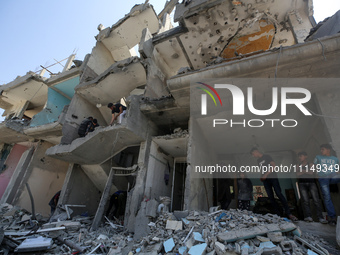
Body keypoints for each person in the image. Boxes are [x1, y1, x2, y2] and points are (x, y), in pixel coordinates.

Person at [251, 148, 298, 221]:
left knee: (279, 194)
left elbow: (273, 166)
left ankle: (289, 213)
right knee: (271, 197)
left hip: (273, 178)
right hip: (266, 181)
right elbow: (261, 170)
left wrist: (266, 174)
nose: (253, 156)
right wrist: (262, 176)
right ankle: (278, 215)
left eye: (253, 154)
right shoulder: (258, 160)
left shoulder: (267, 156)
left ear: (256, 151)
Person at [314, 144, 340, 226]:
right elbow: (314, 166)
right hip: (323, 178)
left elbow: (338, 169)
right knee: (327, 197)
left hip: (333, 175)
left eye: (323, 149)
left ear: (328, 150)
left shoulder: (335, 159)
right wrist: (316, 175)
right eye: (321, 149)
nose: (321, 151)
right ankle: (332, 218)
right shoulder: (318, 157)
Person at [296, 151, 326, 223]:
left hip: (311, 183)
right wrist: (306, 171)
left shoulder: (310, 164)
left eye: (301, 156)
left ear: (306, 156)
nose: (300, 157)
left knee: (316, 200)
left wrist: (303, 171)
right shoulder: (298, 165)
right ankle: (308, 217)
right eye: (299, 156)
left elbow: (312, 172)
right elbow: (297, 174)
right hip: (302, 184)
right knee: (305, 201)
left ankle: (320, 217)